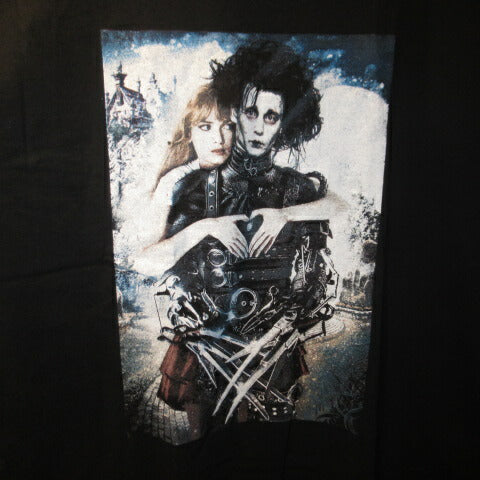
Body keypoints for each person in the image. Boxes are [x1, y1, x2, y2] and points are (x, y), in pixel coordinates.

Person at [151, 41, 346, 429]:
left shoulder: (296, 188)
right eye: (251, 112)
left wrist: (285, 215)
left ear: (283, 122)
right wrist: (205, 229)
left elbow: (340, 205)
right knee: (206, 446)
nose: (259, 127)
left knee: (269, 447)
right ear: (235, 112)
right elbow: (163, 260)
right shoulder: (194, 187)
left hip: (272, 351)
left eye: (271, 117)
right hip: (207, 349)